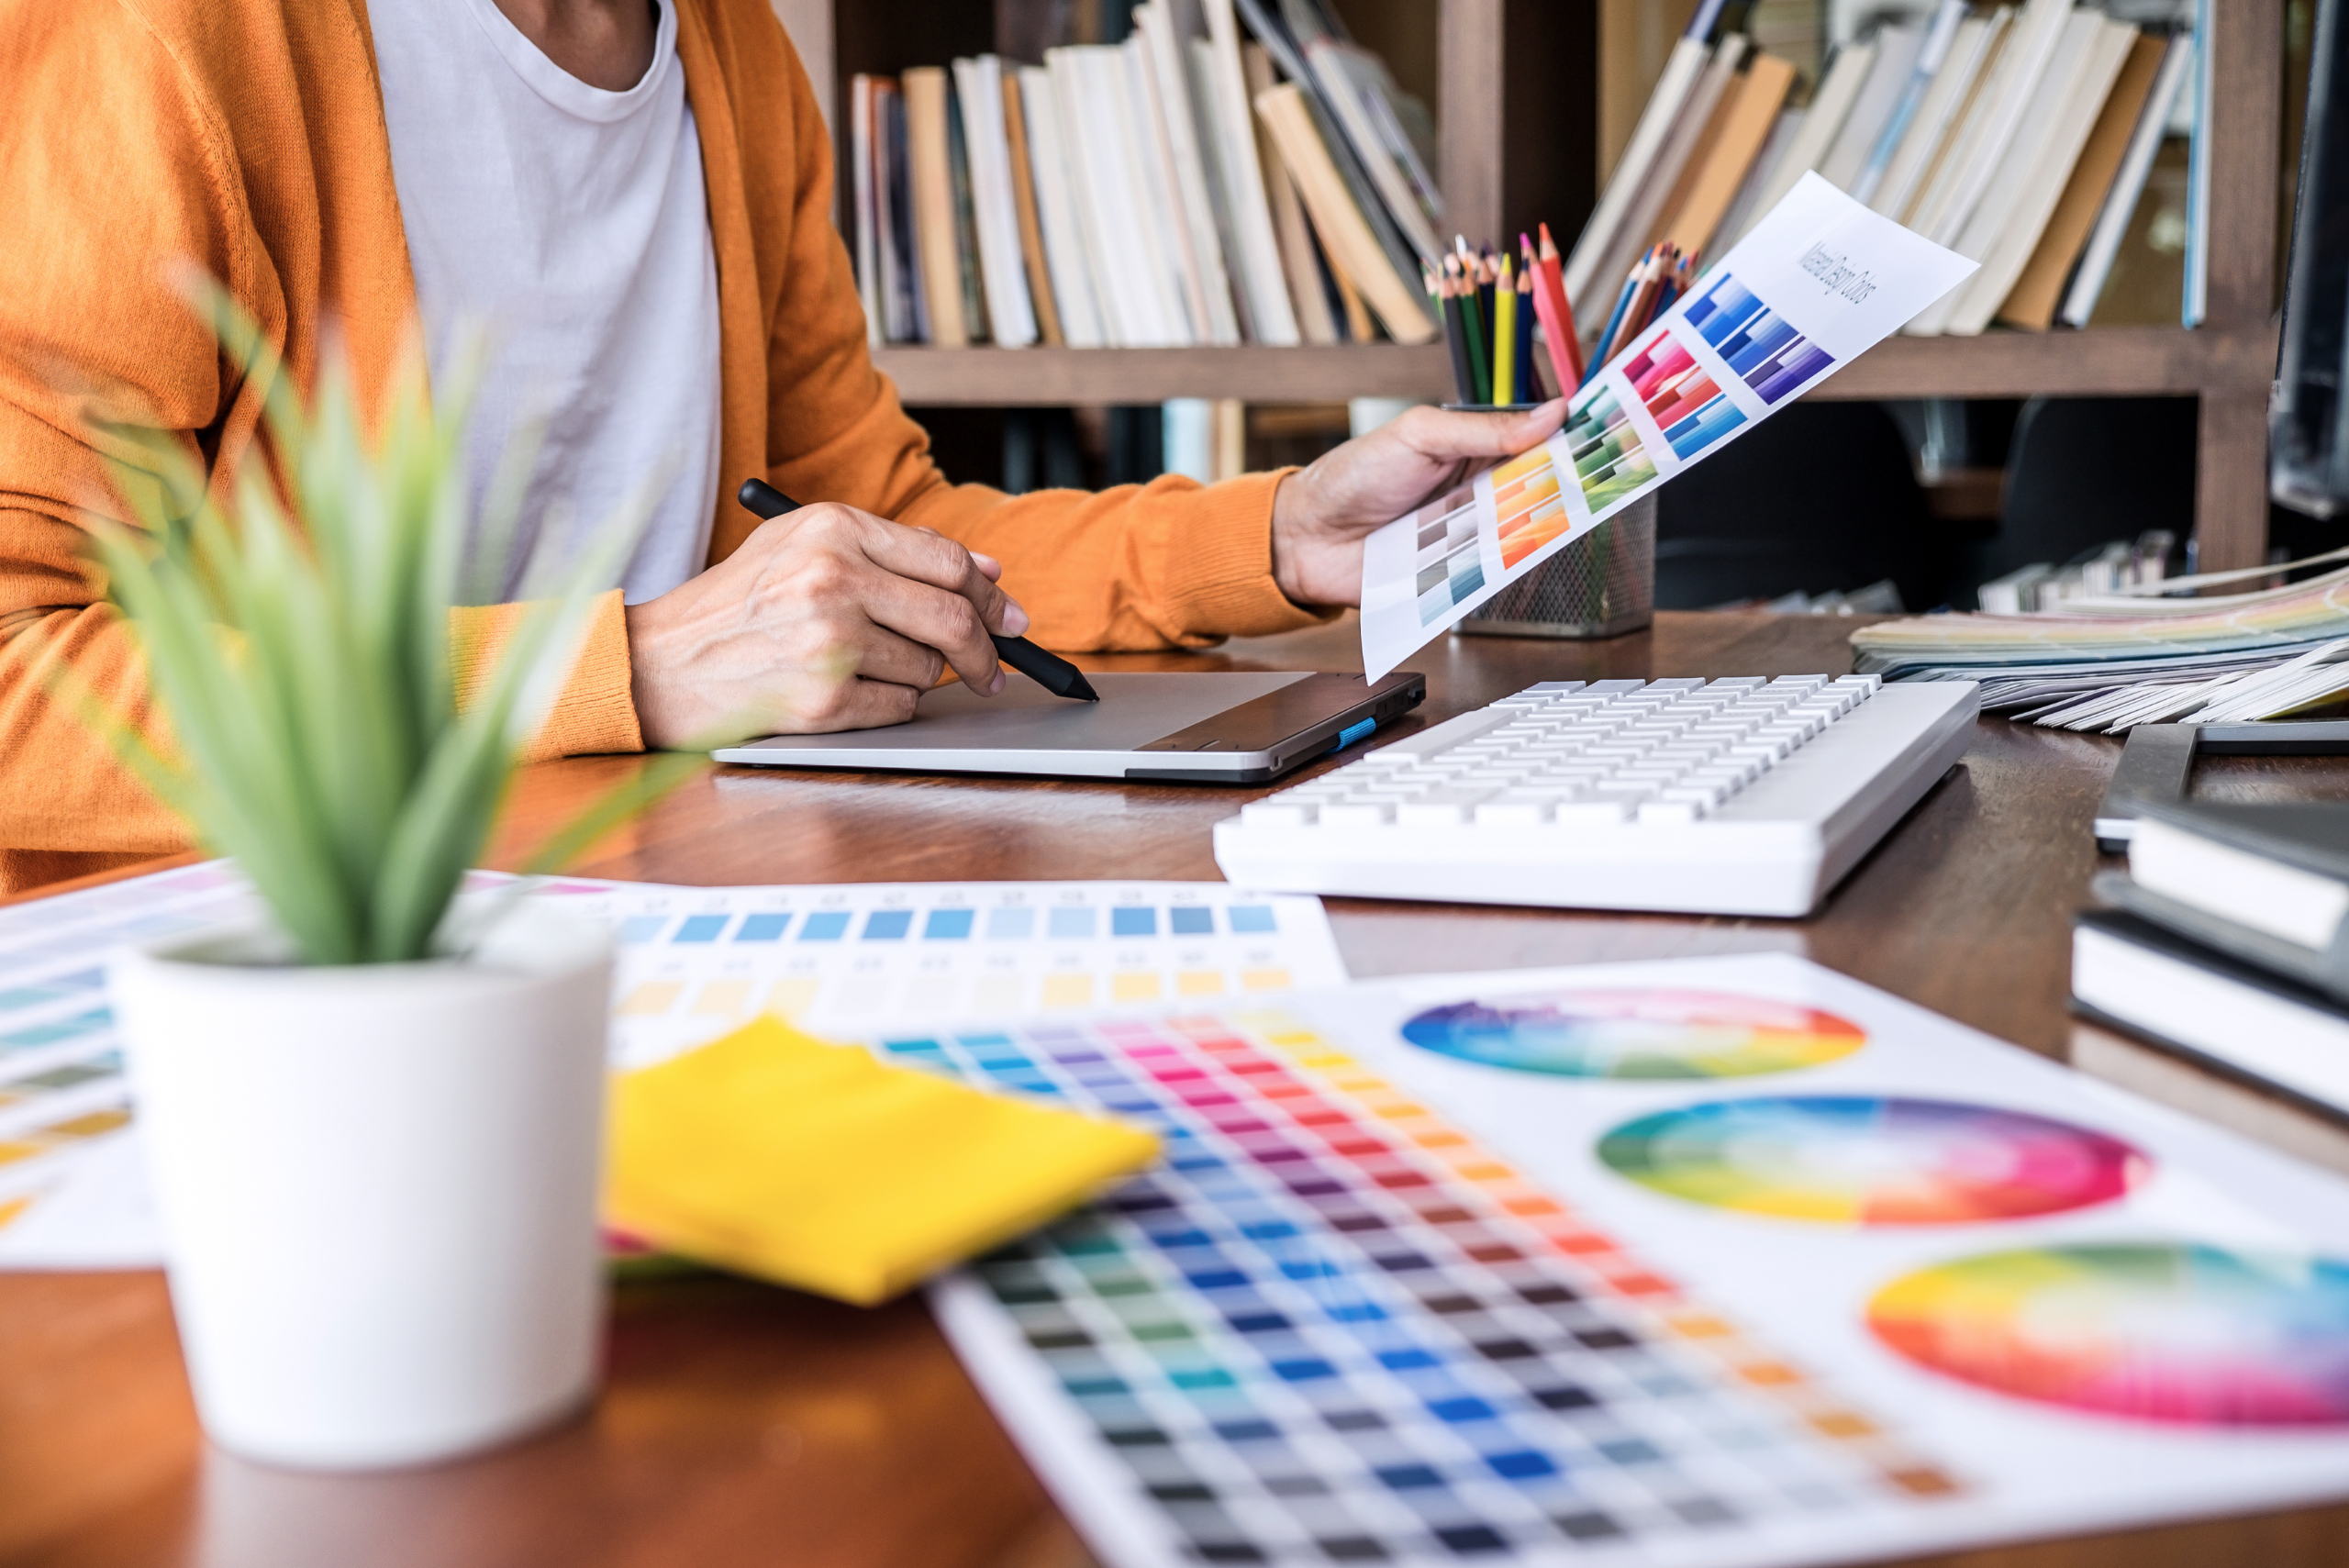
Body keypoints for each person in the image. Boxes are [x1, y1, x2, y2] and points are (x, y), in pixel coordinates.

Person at [0, 0, 1565, 895]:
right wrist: (633, 665)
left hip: (647, 908)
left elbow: (882, 525)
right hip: (259, 999)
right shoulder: (169, 41)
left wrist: (1274, 536)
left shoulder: (735, 58)